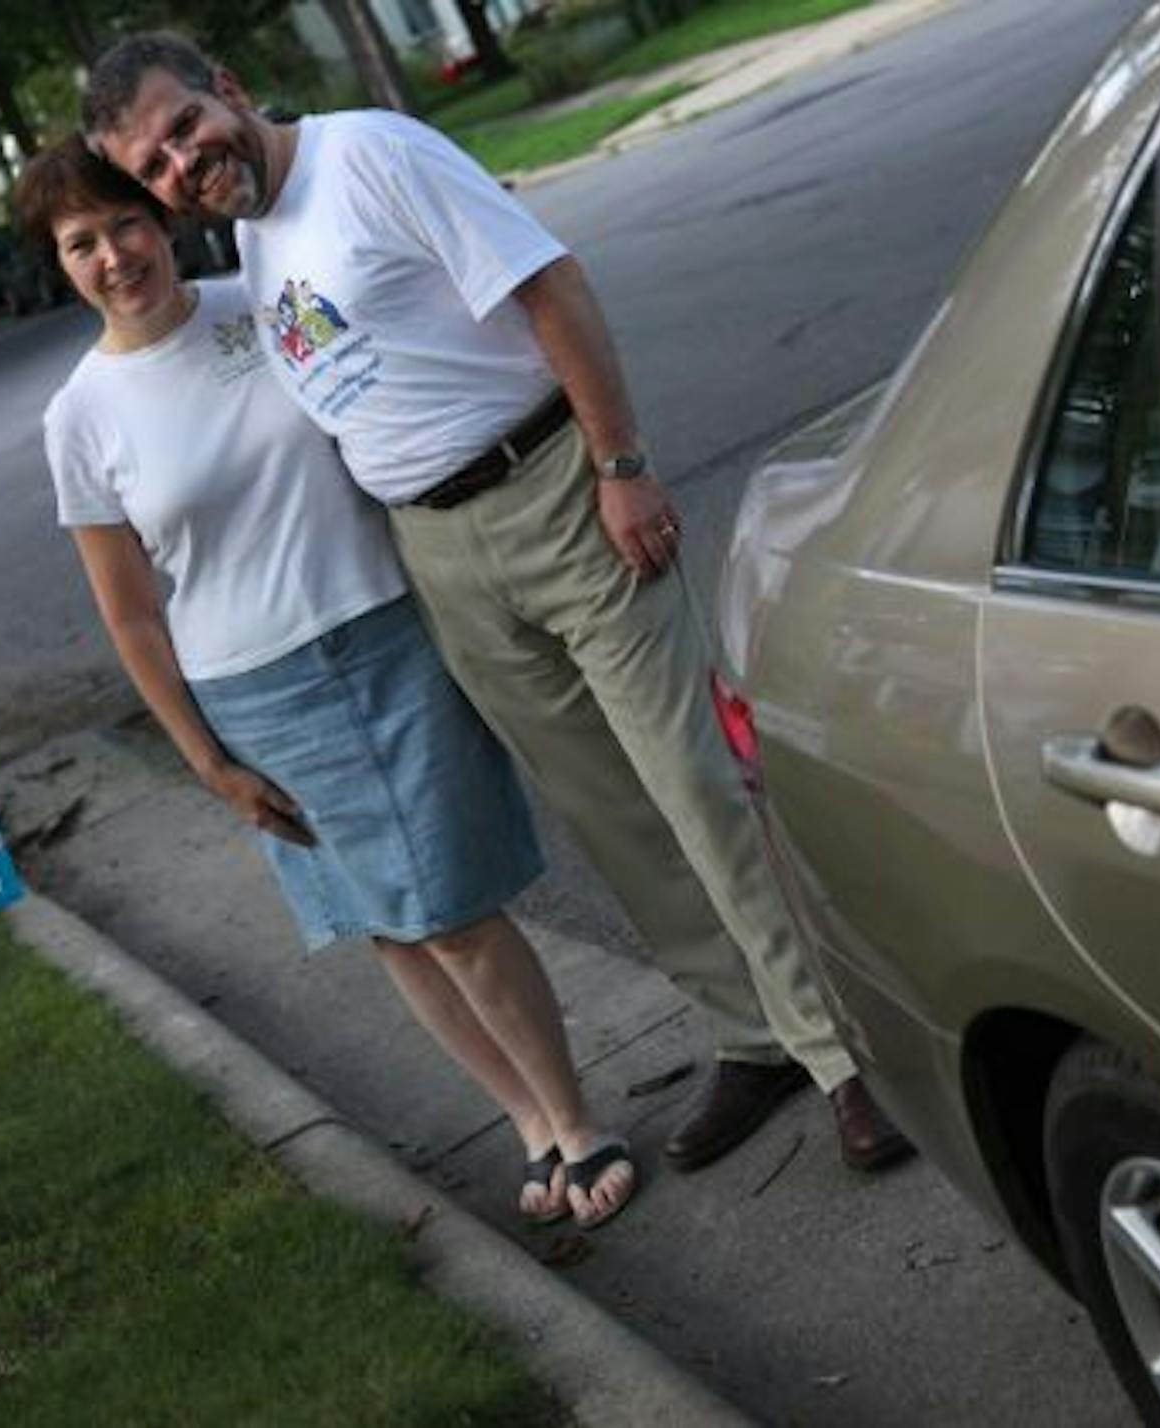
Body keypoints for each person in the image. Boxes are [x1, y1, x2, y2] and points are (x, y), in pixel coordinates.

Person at [82, 35, 912, 1174]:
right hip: (442, 552)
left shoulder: (372, 154)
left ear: (227, 89)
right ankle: (751, 1035)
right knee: (611, 813)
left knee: (695, 787)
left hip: (560, 493)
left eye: (184, 128)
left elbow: (551, 286)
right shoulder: (251, 236)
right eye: (153, 167)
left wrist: (620, 467)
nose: (181, 164)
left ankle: (846, 1057)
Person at [17, 136, 635, 1229]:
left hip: (387, 633)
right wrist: (208, 761)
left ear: (161, 221)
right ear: (60, 267)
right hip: (254, 693)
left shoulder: (256, 305)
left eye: (124, 224)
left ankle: (578, 1122)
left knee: (454, 913)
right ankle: (529, 1123)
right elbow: (131, 615)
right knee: (389, 926)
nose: (114, 256)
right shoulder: (81, 417)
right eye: (80, 244)